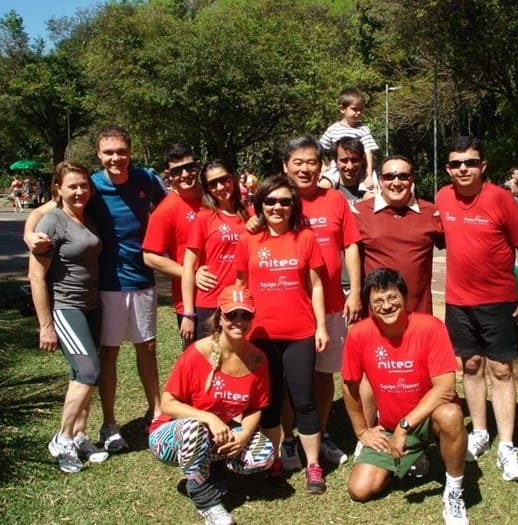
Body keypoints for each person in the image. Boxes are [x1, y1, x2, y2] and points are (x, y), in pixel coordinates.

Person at [24, 126, 167, 453]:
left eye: (121, 151)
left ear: (130, 151)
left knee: (148, 349)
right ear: (99, 156)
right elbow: (43, 211)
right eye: (109, 152)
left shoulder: (145, 179)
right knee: (109, 356)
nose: (116, 158)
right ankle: (110, 423)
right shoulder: (92, 185)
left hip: (143, 280)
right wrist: (29, 235)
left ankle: (156, 413)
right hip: (108, 286)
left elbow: (172, 208)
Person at [436, 136, 518, 482]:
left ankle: (507, 445)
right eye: (455, 163)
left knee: (502, 370)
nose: (463, 168)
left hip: (499, 301)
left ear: (483, 166)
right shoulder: (443, 197)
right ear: (448, 168)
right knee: (471, 365)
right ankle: (479, 431)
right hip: (458, 302)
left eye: (470, 162)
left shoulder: (500, 198)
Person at [341, 268, 468, 525]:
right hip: (389, 427)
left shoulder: (430, 327)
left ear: (405, 297)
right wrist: (362, 432)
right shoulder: (359, 334)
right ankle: (412, 457)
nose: (386, 306)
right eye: (378, 301)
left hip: (426, 421)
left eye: (392, 298)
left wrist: (405, 425)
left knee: (451, 414)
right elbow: (349, 385)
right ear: (369, 306)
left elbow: (446, 388)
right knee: (360, 490)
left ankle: (454, 491)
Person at [234, 175, 329, 494]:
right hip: (260, 335)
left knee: (304, 401)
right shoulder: (248, 240)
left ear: (294, 205)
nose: (278, 207)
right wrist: (238, 329)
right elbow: (240, 287)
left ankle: (313, 465)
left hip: (300, 333)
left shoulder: (306, 238)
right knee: (271, 403)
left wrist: (321, 326)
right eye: (271, 201)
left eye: (285, 201)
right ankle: (273, 460)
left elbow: (316, 286)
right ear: (260, 204)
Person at [149, 285, 274, 525]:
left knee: (263, 454)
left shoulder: (257, 359)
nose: (239, 321)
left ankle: (205, 471)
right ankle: (206, 501)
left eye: (245, 315)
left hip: (215, 436)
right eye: (231, 314)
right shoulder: (197, 353)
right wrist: (210, 418)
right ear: (219, 317)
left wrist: (245, 434)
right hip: (171, 436)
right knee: (195, 427)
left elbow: (255, 407)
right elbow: (167, 403)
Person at [278, 136, 362, 471]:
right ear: (286, 166)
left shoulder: (336, 201)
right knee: (287, 378)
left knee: (324, 375)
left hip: (330, 304)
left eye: (311, 162)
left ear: (321, 165)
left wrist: (354, 291)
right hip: (289, 306)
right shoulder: (278, 201)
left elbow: (352, 246)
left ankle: (322, 432)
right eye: (297, 162)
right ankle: (287, 439)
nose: (305, 169)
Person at [28, 161, 109, 473]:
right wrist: (46, 325)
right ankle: (61, 439)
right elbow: (36, 277)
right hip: (67, 307)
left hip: (92, 306)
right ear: (58, 189)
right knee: (88, 372)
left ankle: (79, 436)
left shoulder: (88, 216)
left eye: (84, 185)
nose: (79, 191)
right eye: (72, 186)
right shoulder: (52, 223)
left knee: (85, 375)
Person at [354, 155, 444, 315]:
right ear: (380, 180)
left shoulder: (431, 213)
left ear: (412, 179)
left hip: (419, 315)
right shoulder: (359, 213)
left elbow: (462, 247)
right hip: (375, 315)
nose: (396, 183)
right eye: (389, 177)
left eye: (403, 176)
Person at [142, 144, 205, 348]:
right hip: (191, 301)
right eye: (177, 171)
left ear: (198, 165)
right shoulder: (165, 211)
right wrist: (192, 275)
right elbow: (150, 256)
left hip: (228, 295)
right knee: (198, 364)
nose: (185, 174)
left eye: (190, 167)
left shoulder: (213, 197)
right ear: (169, 174)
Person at [181, 160, 250, 343]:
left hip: (244, 301)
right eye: (212, 184)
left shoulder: (252, 215)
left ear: (233, 178)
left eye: (224, 179)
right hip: (210, 303)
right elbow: (188, 265)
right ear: (208, 189)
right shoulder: (204, 218)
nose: (220, 187)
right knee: (209, 363)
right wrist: (188, 314)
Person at [319, 87, 379, 191]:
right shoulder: (333, 129)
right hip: (336, 168)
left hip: (361, 169)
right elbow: (319, 148)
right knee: (322, 186)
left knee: (371, 191)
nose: (359, 113)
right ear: (342, 109)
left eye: (361, 109)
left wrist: (368, 175)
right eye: (355, 109)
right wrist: (322, 165)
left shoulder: (363, 129)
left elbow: (368, 152)